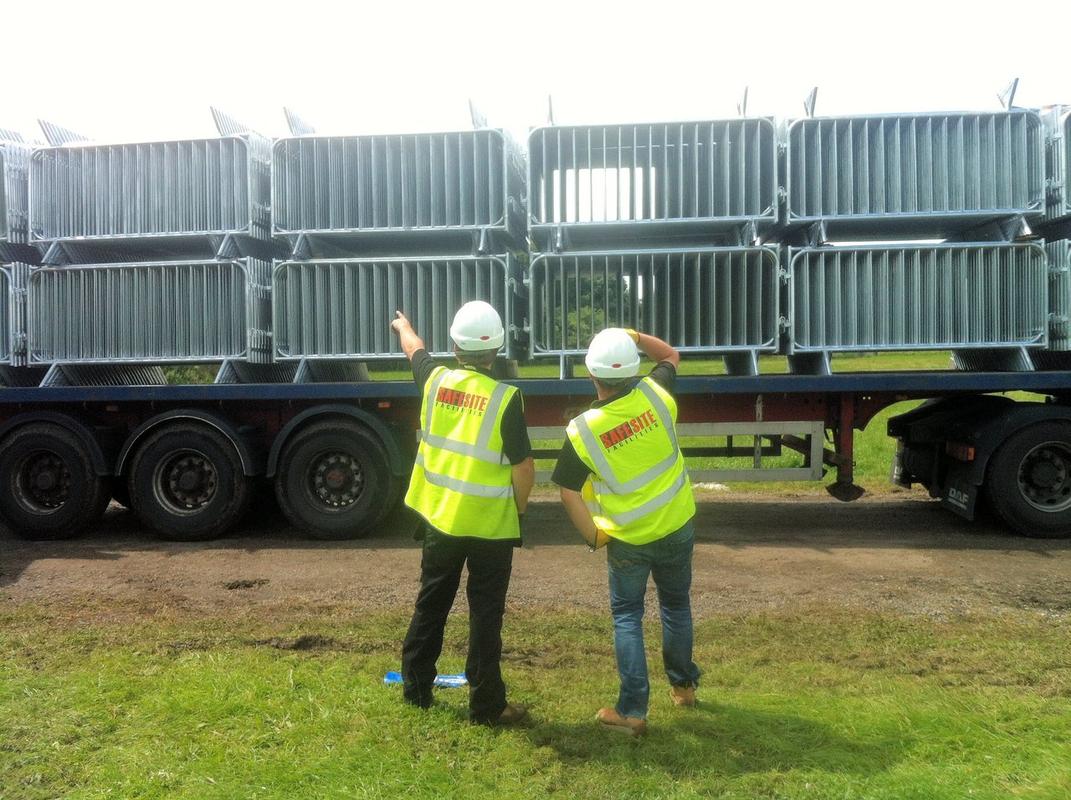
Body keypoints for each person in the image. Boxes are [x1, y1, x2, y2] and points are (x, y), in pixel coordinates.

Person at [552, 327, 700, 737]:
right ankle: (684, 687)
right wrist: (632, 333)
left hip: (628, 539)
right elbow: (670, 353)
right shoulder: (657, 395)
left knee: (627, 618)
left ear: (590, 374)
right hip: (677, 525)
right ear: (634, 369)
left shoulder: (583, 430)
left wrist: (594, 535)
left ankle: (633, 711)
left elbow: (567, 491)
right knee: (676, 606)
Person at [392, 301, 535, 726]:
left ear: (454, 345)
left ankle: (416, 690)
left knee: (430, 604)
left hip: (441, 519)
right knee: (485, 614)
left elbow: (414, 350)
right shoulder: (505, 399)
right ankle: (487, 704)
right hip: (490, 526)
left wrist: (404, 324)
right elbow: (523, 467)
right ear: (497, 348)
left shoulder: (435, 381)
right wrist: (518, 511)